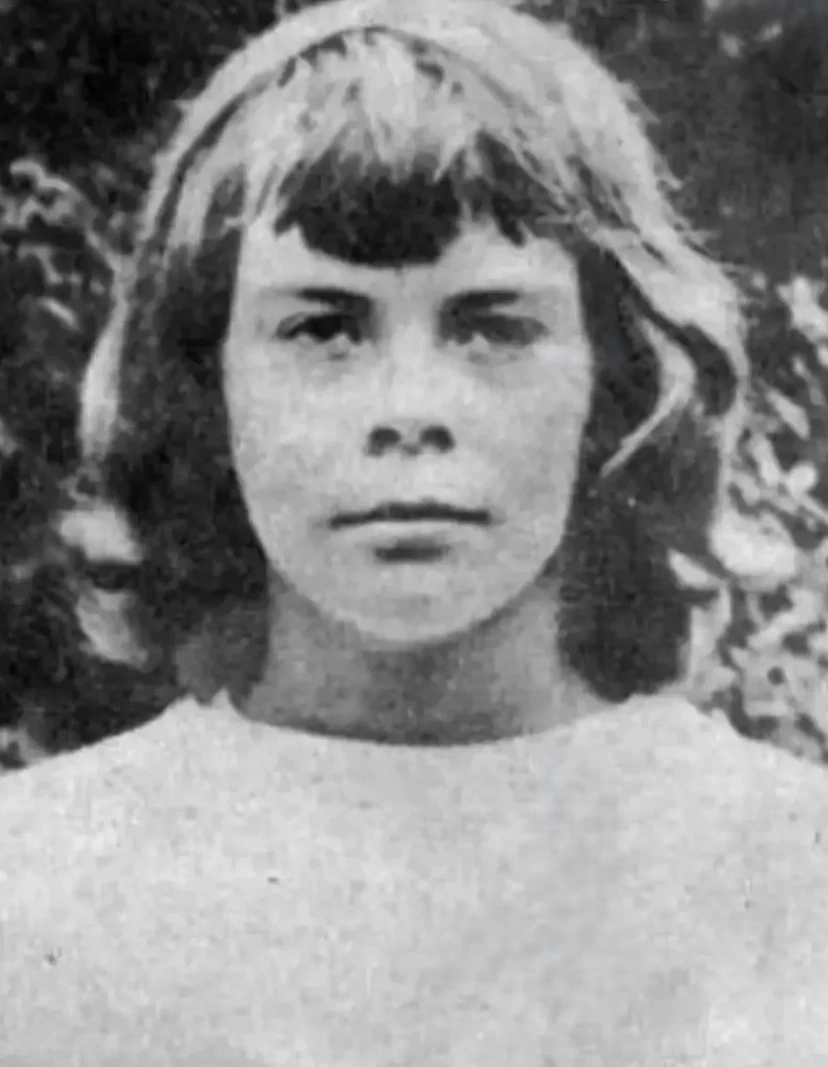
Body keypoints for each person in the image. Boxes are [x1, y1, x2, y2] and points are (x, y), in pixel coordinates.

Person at [1, 0, 827, 1062]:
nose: (409, 407)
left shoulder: (785, 879)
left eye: (492, 327)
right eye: (322, 328)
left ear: (615, 381)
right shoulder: (43, 886)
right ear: (205, 386)